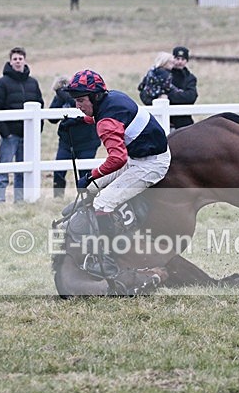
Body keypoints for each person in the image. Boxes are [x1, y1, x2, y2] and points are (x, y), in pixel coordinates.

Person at [61, 69, 170, 277]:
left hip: (150, 165)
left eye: (81, 100)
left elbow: (117, 159)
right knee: (92, 187)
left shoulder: (106, 123)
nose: (78, 105)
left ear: (95, 97)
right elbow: (109, 118)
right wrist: (79, 121)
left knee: (103, 202)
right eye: (76, 101)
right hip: (138, 156)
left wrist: (92, 174)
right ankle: (85, 224)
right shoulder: (113, 97)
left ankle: (107, 258)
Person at [0, 47, 44, 204]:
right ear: (10, 61)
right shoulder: (2, 83)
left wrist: (37, 129)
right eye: (15, 59)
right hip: (10, 135)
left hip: (27, 135)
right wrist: (5, 132)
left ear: (24, 60)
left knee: (23, 170)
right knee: (4, 168)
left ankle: (20, 200)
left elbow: (40, 105)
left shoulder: (32, 83)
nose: (18, 61)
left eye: (20, 58)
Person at [48, 76, 100, 198]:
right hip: (67, 141)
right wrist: (59, 99)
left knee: (84, 173)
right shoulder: (60, 98)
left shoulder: (83, 97)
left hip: (87, 141)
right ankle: (58, 197)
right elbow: (52, 118)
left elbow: (85, 112)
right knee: (59, 170)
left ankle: (87, 198)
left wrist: (66, 96)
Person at [168, 46, 199, 129]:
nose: (180, 62)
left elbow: (191, 97)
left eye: (183, 59)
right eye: (177, 58)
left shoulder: (190, 78)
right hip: (165, 121)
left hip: (184, 123)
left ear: (187, 61)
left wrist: (170, 96)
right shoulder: (164, 75)